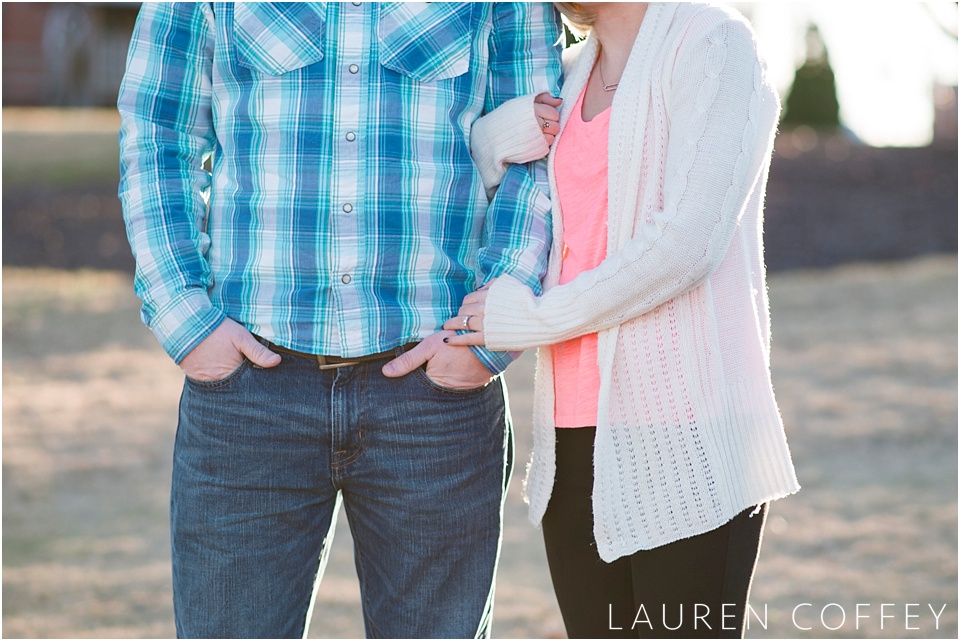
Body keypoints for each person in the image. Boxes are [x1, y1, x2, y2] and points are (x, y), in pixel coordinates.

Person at [117, 3, 562, 638]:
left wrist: (486, 332)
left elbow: (540, 145)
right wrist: (188, 320)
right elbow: (157, 133)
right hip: (249, 395)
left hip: (433, 399)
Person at [388, 2, 801, 638]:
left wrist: (534, 320)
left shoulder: (714, 44)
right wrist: (492, 144)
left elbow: (686, 244)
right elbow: (533, 219)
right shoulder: (574, 73)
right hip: (574, 434)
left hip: (686, 430)